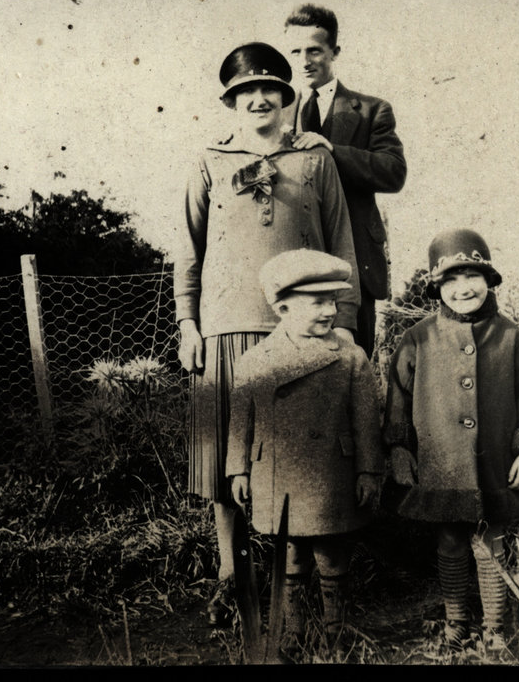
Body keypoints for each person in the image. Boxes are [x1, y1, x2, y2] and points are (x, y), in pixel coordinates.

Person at [173, 42, 362, 629]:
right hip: (226, 333)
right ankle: (232, 580)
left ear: (286, 98)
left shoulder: (314, 159)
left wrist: (347, 328)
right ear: (231, 102)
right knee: (225, 466)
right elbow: (188, 249)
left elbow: (342, 245)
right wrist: (187, 324)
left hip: (299, 339)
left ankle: (296, 592)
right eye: (244, 92)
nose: (258, 99)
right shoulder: (207, 160)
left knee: (301, 462)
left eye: (270, 89)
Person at [382, 228, 519, 652]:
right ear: (436, 287)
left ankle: (495, 626)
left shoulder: (515, 339)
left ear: (489, 279)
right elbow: (397, 400)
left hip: (495, 461)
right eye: (450, 280)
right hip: (440, 462)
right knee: (450, 540)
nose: (463, 289)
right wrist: (400, 449)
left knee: (490, 542)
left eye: (472, 276)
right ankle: (456, 621)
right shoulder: (417, 339)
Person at [226, 248, 384, 653]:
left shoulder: (351, 357)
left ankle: (337, 631)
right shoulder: (256, 361)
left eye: (333, 300)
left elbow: (367, 422)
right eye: (317, 302)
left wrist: (369, 471)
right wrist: (237, 471)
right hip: (277, 472)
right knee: (289, 552)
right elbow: (240, 421)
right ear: (282, 308)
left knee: (332, 553)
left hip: (332, 471)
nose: (330, 310)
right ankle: (291, 631)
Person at [283, 3, 407, 360]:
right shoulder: (276, 113)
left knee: (354, 371)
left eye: (314, 50)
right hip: (293, 264)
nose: (304, 60)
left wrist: (333, 150)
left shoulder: (371, 109)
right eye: (295, 51)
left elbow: (393, 171)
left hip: (353, 267)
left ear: (335, 52)